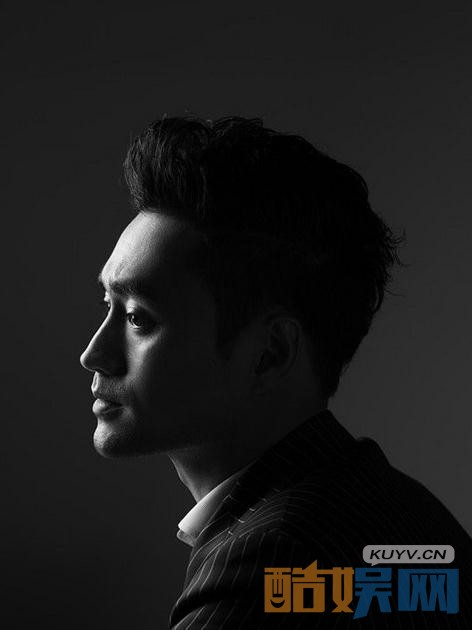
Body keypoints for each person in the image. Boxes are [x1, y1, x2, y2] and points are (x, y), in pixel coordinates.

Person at [80, 116, 472, 628]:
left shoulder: (269, 564)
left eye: (138, 318)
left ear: (269, 354)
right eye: (107, 305)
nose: (94, 353)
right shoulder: (397, 507)